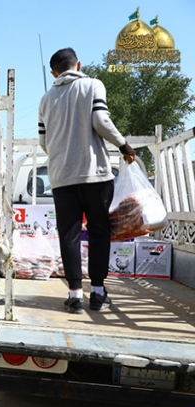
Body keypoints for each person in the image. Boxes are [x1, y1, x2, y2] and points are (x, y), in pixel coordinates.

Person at [38, 47, 136, 314]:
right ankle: (98, 293)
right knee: (99, 232)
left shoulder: (46, 99)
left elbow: (44, 142)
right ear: (78, 65)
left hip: (62, 178)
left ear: (54, 73)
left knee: (69, 235)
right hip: (95, 175)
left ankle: (74, 296)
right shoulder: (93, 85)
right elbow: (101, 121)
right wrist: (123, 145)